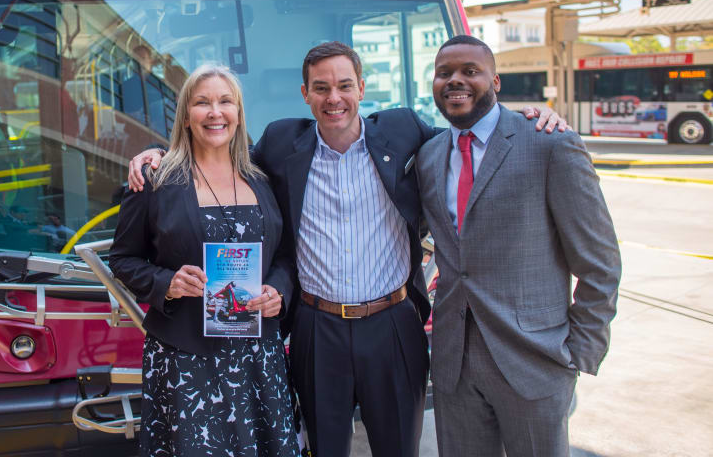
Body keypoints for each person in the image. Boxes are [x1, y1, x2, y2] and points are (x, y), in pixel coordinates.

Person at [127, 42, 566, 457]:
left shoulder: (403, 130)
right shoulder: (281, 144)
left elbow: (466, 138)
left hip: (393, 325)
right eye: (321, 88)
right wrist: (157, 154)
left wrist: (525, 119)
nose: (333, 98)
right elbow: (216, 152)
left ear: (361, 88)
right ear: (305, 94)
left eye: (344, 86)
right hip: (318, 330)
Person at [417, 35, 621, 456]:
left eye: (470, 71)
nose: (455, 80)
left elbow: (600, 262)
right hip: (454, 364)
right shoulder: (429, 155)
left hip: (535, 363)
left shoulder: (550, 143)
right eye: (444, 73)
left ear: (495, 82)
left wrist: (577, 352)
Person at [109, 64, 297, 456]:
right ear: (185, 116)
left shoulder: (262, 179)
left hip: (258, 356)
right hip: (185, 356)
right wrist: (168, 283)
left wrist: (278, 291)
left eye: (225, 101)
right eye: (202, 103)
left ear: (238, 113)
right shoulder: (155, 180)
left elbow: (284, 254)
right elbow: (123, 260)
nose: (215, 112)